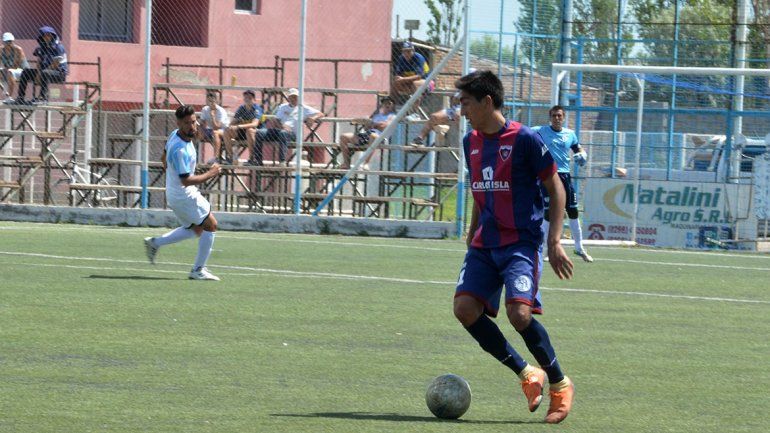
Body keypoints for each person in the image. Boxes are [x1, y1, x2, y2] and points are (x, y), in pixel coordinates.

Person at [453, 70, 575, 424]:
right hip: (484, 244)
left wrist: (554, 241)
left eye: (465, 103)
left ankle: (560, 383)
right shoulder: (470, 141)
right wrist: (472, 230)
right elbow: (481, 188)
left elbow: (556, 189)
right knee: (464, 308)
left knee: (520, 315)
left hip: (521, 243)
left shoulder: (524, 139)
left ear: (486, 102)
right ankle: (527, 374)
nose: (462, 110)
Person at [144, 105, 222, 281]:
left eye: (193, 122)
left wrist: (172, 173)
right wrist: (210, 173)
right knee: (211, 225)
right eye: (187, 123)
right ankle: (198, 270)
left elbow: (163, 159)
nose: (192, 126)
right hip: (184, 194)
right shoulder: (180, 149)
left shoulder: (174, 135)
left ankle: (155, 243)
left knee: (195, 230)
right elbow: (186, 180)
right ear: (178, 123)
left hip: (175, 194)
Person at [532, 105, 593, 263]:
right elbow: (522, 133)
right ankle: (545, 250)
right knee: (548, 213)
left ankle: (579, 248)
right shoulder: (541, 131)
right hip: (548, 176)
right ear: (550, 117)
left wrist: (582, 155)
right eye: (554, 116)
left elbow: (578, 149)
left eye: (559, 116)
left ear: (563, 117)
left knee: (573, 211)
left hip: (565, 176)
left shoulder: (570, 134)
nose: (557, 118)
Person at [251, 87, 324, 165]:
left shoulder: (303, 108)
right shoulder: (283, 107)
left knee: (283, 133)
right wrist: (283, 126)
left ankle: (282, 161)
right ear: (288, 98)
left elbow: (321, 114)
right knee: (259, 133)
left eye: (295, 97)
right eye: (292, 97)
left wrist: (313, 118)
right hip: (280, 130)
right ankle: (257, 160)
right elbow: (277, 120)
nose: (293, 99)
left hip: (293, 134)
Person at [338, 96, 396, 169]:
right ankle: (346, 163)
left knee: (373, 136)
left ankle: (366, 163)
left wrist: (373, 124)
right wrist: (369, 123)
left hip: (380, 138)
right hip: (367, 135)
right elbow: (366, 128)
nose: (387, 105)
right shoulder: (377, 115)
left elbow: (384, 126)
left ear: (392, 105)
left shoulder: (392, 116)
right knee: (344, 137)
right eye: (385, 103)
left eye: (389, 103)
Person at [16, 26, 67, 105]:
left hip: (59, 74)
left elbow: (55, 64)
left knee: (45, 72)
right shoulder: (41, 48)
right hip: (43, 73)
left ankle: (43, 98)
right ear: (41, 36)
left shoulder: (59, 47)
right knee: (25, 72)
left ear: (53, 35)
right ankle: (20, 98)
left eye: (49, 35)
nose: (47, 37)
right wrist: (38, 74)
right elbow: (39, 62)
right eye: (44, 35)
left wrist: (40, 74)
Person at [223, 89, 262, 163]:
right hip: (242, 132)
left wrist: (239, 126)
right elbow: (233, 122)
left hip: (255, 133)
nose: (247, 99)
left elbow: (254, 124)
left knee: (249, 131)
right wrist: (231, 126)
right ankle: (231, 157)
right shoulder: (242, 108)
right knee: (226, 131)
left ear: (254, 99)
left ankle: (251, 158)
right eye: (246, 98)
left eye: (250, 98)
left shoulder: (257, 108)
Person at [198, 91, 230, 163]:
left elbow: (217, 127)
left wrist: (212, 116)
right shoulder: (205, 109)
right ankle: (200, 141)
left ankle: (216, 157)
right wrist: (201, 126)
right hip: (211, 129)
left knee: (215, 133)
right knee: (198, 128)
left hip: (224, 130)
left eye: (212, 101)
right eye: (209, 101)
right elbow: (202, 122)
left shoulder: (220, 111)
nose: (210, 103)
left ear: (216, 100)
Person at [1, 32, 29, 103]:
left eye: (11, 41)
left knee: (10, 71)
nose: (9, 43)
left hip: (23, 71)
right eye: (7, 42)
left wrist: (5, 69)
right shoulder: (1, 50)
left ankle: (9, 97)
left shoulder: (18, 49)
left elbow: (16, 65)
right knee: (9, 71)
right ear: (3, 42)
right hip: (10, 70)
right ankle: (5, 90)